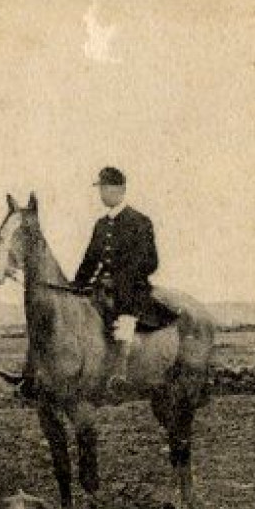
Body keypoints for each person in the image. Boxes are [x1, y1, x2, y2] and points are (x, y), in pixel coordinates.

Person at [73, 166, 158, 389]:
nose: (101, 193)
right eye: (100, 188)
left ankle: (120, 373)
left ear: (120, 189)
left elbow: (150, 262)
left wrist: (120, 279)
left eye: (105, 188)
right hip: (101, 287)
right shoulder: (101, 225)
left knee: (125, 314)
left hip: (131, 289)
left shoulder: (140, 221)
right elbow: (90, 261)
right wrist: (76, 285)